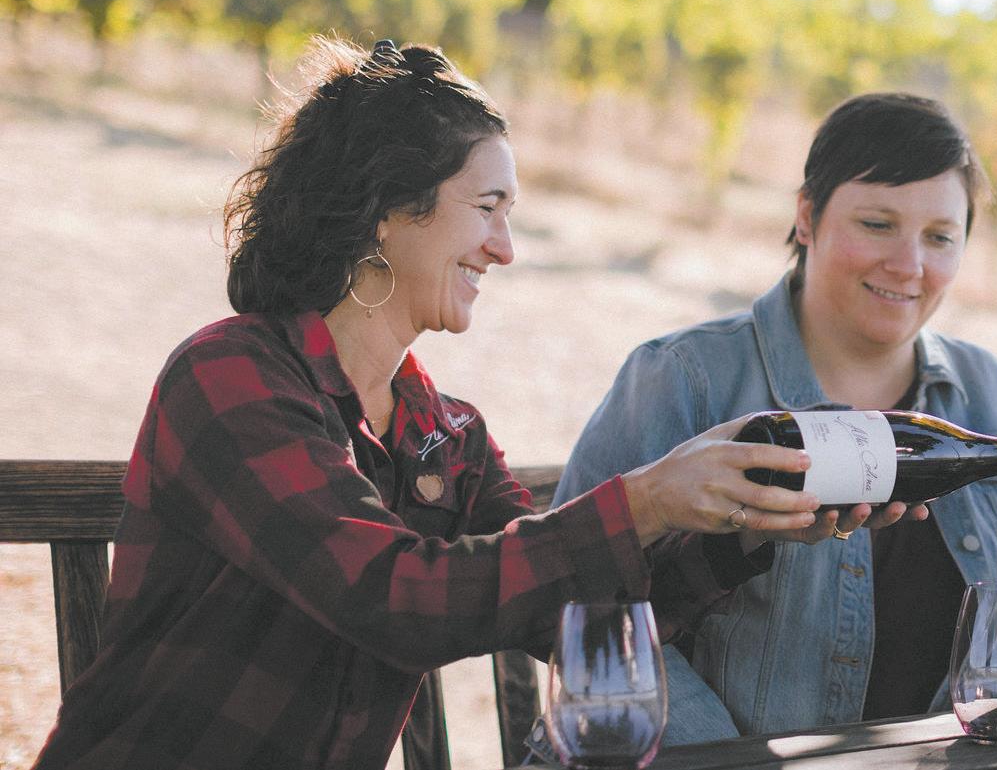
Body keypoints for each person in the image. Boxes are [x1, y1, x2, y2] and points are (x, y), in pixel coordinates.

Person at [32, 38, 823, 770]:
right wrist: (644, 497)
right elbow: (389, 597)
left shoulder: (446, 435)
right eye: (486, 207)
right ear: (387, 207)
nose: (505, 248)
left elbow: (577, 610)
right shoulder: (230, 376)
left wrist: (748, 524)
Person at [554, 92, 997, 739]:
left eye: (940, 237)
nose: (909, 265)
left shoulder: (987, 388)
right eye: (877, 224)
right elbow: (579, 605)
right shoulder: (685, 378)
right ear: (806, 216)